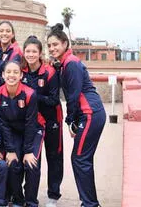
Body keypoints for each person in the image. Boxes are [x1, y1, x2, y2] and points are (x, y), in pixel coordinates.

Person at [47, 23, 105, 207]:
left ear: (65, 44)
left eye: (55, 44)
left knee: (80, 158)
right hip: (89, 113)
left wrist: (70, 120)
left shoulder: (71, 63)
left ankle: (90, 204)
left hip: (89, 113)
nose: (52, 48)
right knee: (82, 158)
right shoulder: (65, 64)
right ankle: (89, 202)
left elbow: (73, 96)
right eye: (49, 45)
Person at [0, 61, 43, 207]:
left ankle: (31, 202)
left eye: (15, 72)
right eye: (8, 72)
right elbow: (1, 123)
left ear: (21, 75)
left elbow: (31, 123)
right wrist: (11, 150)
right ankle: (18, 200)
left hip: (33, 130)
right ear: (3, 75)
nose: (11, 75)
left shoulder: (29, 93)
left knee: (31, 164)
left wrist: (27, 151)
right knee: (12, 163)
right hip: (12, 130)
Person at [22, 36, 63, 207]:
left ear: (40, 53)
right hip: (33, 123)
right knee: (32, 159)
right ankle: (29, 195)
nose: (30, 54)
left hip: (52, 120)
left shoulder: (49, 72)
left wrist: (31, 96)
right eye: (28, 51)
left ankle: (53, 195)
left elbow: (54, 99)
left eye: (34, 51)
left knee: (54, 158)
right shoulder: (21, 72)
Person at [0, 21, 23, 88]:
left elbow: (11, 73)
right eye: (1, 31)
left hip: (9, 90)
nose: (4, 33)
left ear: (12, 35)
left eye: (8, 31)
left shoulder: (16, 51)